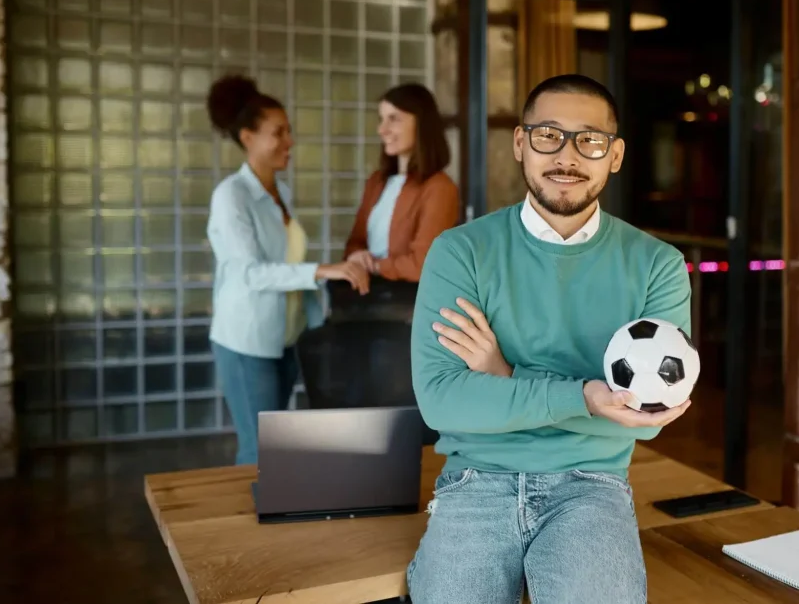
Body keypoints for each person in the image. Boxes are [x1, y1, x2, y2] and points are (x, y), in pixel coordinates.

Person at [407, 74, 693, 603]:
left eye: (590, 139)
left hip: (592, 484)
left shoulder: (658, 267)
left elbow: (645, 422)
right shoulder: (460, 252)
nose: (567, 155)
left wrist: (504, 377)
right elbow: (443, 402)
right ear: (520, 143)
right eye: (548, 135)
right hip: (477, 478)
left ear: (616, 155)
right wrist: (585, 396)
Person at [205, 74, 370, 465]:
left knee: (275, 447)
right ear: (248, 136)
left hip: (285, 338)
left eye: (289, 131)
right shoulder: (232, 195)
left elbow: (288, 264)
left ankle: (272, 521)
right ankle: (250, 526)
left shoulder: (282, 193)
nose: (289, 141)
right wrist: (323, 270)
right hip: (247, 343)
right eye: (278, 132)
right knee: (259, 450)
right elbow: (251, 273)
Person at [343, 83, 459, 283]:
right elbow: (355, 243)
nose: (382, 129)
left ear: (421, 124)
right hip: (368, 298)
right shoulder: (377, 182)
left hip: (408, 306)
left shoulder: (439, 188)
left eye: (393, 119)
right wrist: (356, 256)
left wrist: (376, 266)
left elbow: (424, 264)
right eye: (381, 119)